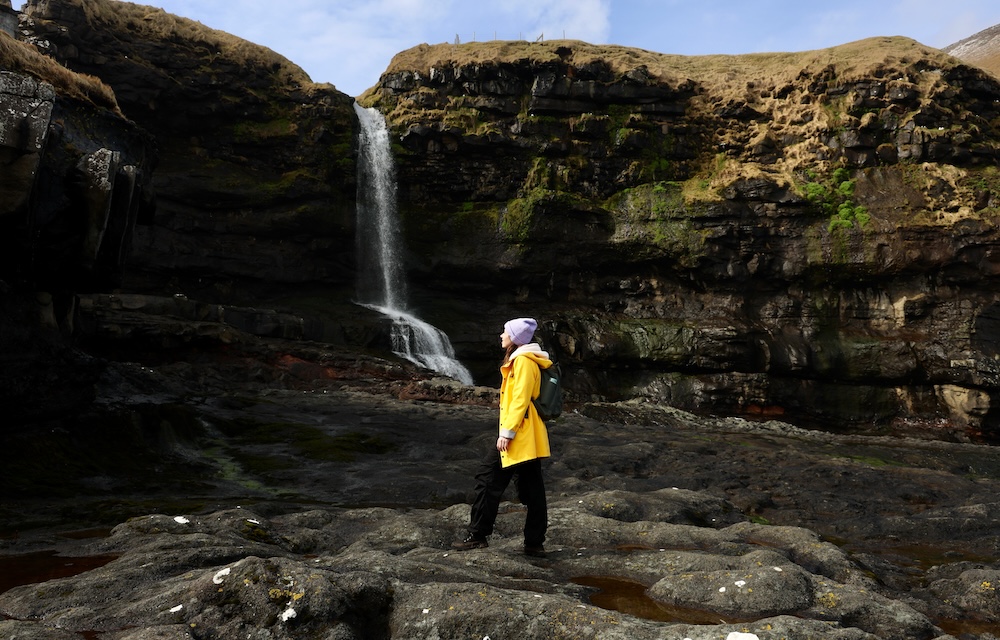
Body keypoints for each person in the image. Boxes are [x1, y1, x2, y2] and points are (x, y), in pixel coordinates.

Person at [452, 317, 553, 557]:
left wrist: (506, 434)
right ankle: (534, 543)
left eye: (504, 332)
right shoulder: (525, 360)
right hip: (527, 433)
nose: (501, 335)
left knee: (487, 479)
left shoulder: (523, 362)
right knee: (532, 489)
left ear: (515, 338)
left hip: (519, 434)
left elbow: (520, 399)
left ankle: (478, 535)